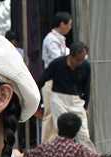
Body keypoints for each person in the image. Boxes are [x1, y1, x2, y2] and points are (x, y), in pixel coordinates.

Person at [38, 42, 95, 152]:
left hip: (76, 100)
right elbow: (42, 80)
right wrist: (38, 102)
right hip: (59, 99)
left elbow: (87, 88)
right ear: (71, 56)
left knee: (83, 133)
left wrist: (85, 106)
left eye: (82, 59)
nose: (80, 62)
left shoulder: (86, 66)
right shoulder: (57, 64)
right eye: (78, 60)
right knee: (61, 131)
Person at [40, 11, 72, 143]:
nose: (70, 27)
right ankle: (46, 146)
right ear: (62, 24)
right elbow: (58, 59)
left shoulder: (60, 39)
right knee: (50, 114)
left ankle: (57, 145)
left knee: (60, 113)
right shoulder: (50, 39)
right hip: (51, 82)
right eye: (69, 24)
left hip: (59, 81)